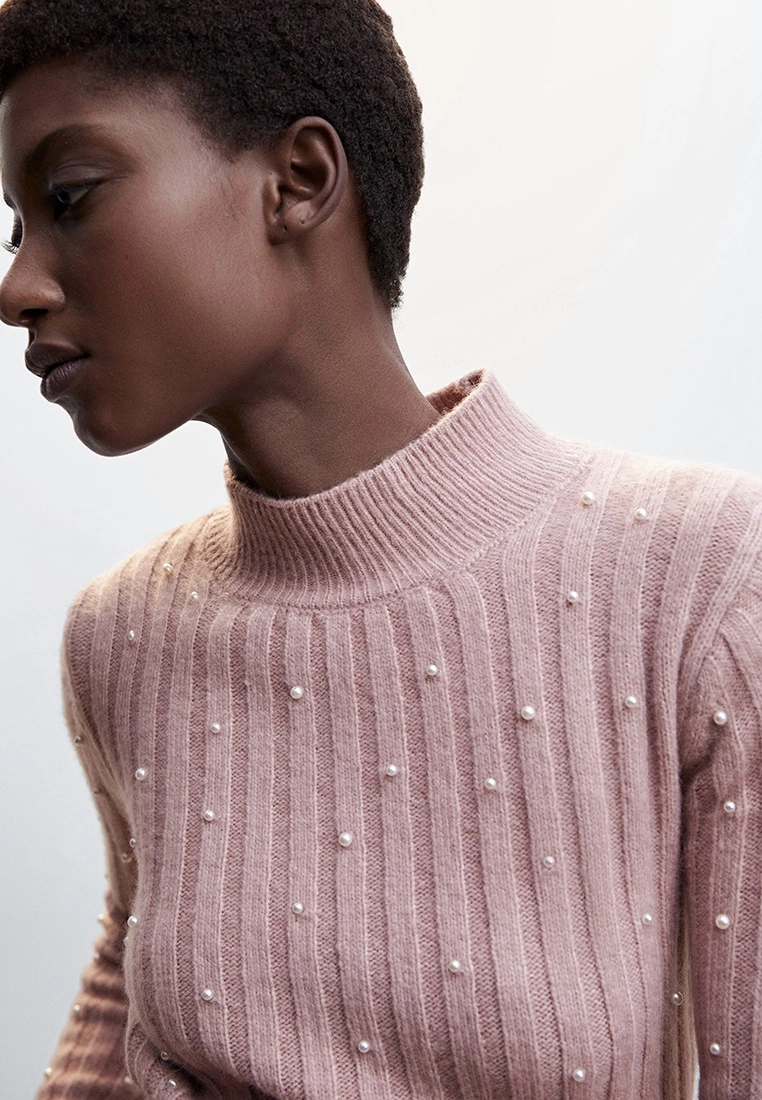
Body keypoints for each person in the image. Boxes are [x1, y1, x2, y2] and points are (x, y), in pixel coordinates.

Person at [0, 0, 760, 1096]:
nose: (17, 286)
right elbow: (130, 990)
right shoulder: (120, 636)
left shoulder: (704, 584)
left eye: (69, 199)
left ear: (299, 180)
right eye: (15, 227)